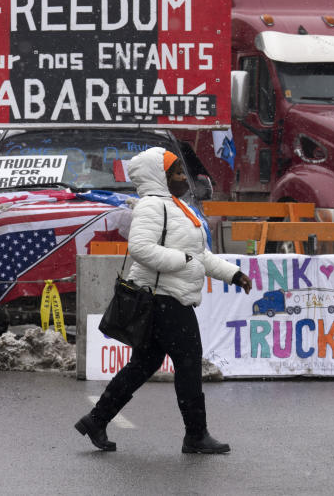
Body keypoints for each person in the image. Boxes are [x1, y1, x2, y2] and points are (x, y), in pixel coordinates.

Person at [76, 147, 252, 454]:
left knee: (144, 364)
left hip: (169, 297)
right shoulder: (152, 207)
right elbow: (141, 248)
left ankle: (97, 418)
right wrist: (181, 259)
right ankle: (195, 434)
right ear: (161, 177)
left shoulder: (176, 208)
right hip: (162, 299)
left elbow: (201, 256)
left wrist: (233, 275)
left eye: (182, 173)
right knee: (188, 362)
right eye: (177, 174)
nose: (184, 179)